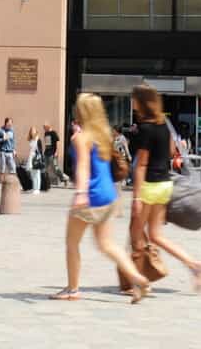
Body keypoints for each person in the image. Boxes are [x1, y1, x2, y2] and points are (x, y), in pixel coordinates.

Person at [54, 93, 150, 303]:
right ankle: (137, 278)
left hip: (90, 196)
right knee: (107, 244)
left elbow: (83, 168)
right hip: (110, 195)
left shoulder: (79, 138)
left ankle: (72, 289)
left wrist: (80, 193)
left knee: (72, 243)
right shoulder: (104, 135)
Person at [127, 84, 201, 294]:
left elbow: (142, 164)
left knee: (136, 234)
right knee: (155, 235)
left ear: (142, 102)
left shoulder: (145, 128)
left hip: (150, 186)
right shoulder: (164, 125)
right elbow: (172, 152)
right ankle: (194, 265)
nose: (132, 102)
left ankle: (140, 282)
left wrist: (136, 198)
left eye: (134, 99)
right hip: (165, 185)